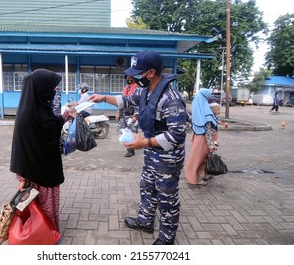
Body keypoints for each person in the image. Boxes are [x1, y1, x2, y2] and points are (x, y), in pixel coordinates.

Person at [90, 50, 187, 245]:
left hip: (168, 158)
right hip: (152, 153)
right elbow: (126, 100)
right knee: (147, 188)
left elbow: (177, 135)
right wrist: (103, 98)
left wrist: (145, 142)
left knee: (167, 198)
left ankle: (167, 238)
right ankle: (145, 221)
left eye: (138, 73)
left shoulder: (171, 98)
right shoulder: (145, 91)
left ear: (150, 73)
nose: (134, 77)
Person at [10, 69, 72, 235]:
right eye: (52, 89)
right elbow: (21, 147)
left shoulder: (38, 109)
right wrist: (22, 177)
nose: (54, 92)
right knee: (40, 206)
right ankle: (42, 235)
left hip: (45, 169)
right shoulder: (28, 115)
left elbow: (50, 126)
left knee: (43, 206)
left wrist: (66, 115)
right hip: (36, 174)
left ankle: (46, 232)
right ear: (42, 89)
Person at [184, 88, 218, 186]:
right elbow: (208, 131)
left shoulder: (198, 109)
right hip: (203, 139)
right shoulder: (206, 111)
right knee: (197, 160)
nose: (209, 98)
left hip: (197, 137)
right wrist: (211, 145)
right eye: (209, 96)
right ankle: (193, 179)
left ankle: (194, 177)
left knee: (197, 159)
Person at [116, 75, 139, 157]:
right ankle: (130, 145)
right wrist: (118, 112)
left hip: (132, 114)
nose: (129, 79)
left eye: (130, 78)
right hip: (124, 114)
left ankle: (131, 150)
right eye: (127, 78)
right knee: (120, 128)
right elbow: (121, 102)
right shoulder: (125, 88)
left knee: (132, 131)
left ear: (133, 78)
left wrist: (135, 116)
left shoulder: (137, 89)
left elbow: (138, 103)